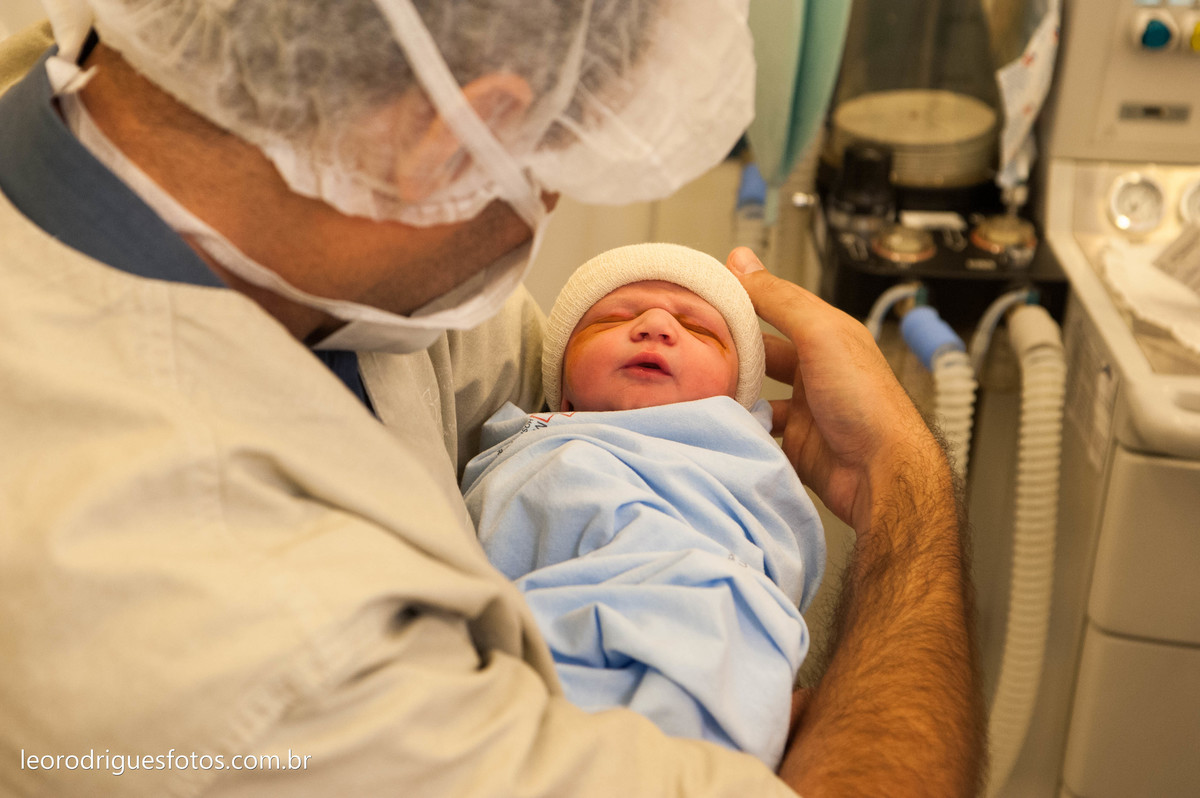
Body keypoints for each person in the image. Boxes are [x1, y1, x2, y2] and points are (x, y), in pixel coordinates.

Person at [0, 2, 985, 797]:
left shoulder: (125, 98)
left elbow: (551, 392)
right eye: (553, 169)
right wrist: (902, 485)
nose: (541, 209)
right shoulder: (276, 654)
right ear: (446, 137)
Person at [462, 243, 826, 769]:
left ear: (735, 404)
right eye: (612, 320)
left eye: (699, 330)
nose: (656, 326)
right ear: (563, 394)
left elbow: (773, 558)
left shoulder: (744, 462)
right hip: (537, 644)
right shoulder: (536, 445)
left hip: (701, 615)